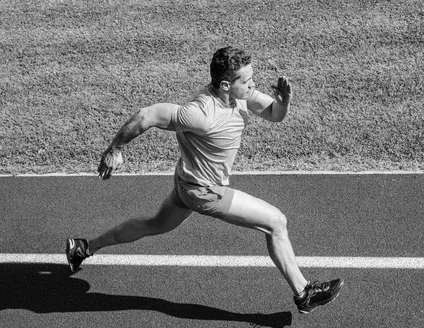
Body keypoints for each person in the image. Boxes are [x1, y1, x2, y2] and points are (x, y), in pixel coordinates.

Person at [66, 46, 343, 314]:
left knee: (154, 224)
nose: (253, 85)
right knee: (276, 222)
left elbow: (274, 114)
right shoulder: (201, 115)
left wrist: (284, 101)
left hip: (187, 183)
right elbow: (146, 115)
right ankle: (304, 293)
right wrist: (115, 149)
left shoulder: (240, 96)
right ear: (225, 84)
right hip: (204, 190)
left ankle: (85, 247)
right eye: (246, 81)